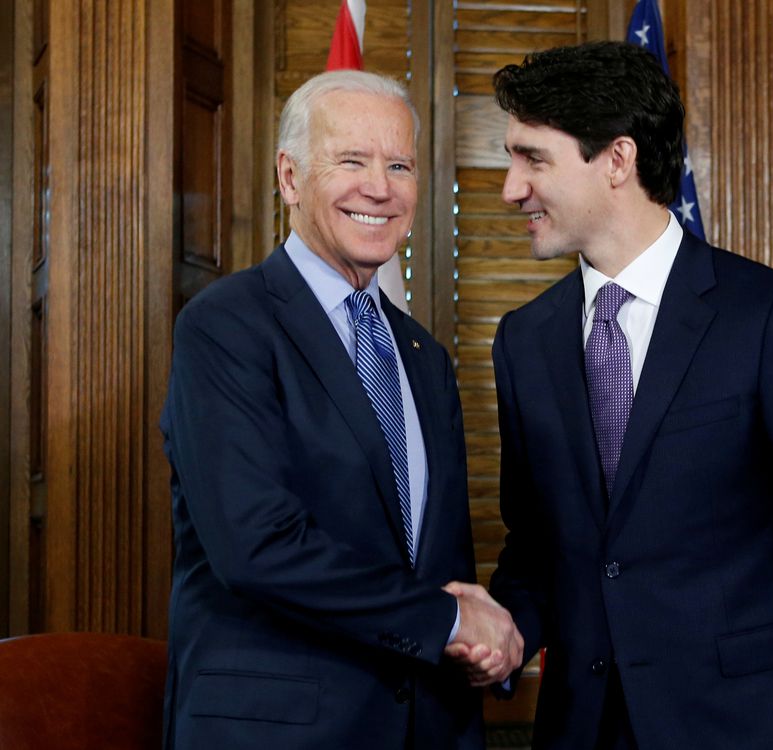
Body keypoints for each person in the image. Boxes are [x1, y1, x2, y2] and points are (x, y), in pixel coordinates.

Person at [483, 42, 773, 749]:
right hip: (582, 730)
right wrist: (493, 629)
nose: (511, 188)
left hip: (742, 728)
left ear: (617, 160)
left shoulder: (772, 318)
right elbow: (540, 549)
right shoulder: (524, 340)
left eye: (533, 159)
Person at [159, 70, 522, 750]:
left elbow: (439, 562)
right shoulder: (226, 326)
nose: (380, 187)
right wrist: (446, 621)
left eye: (400, 164)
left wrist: (483, 639)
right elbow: (255, 547)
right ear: (291, 178)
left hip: (425, 728)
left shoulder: (423, 357)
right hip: (281, 731)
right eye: (351, 161)